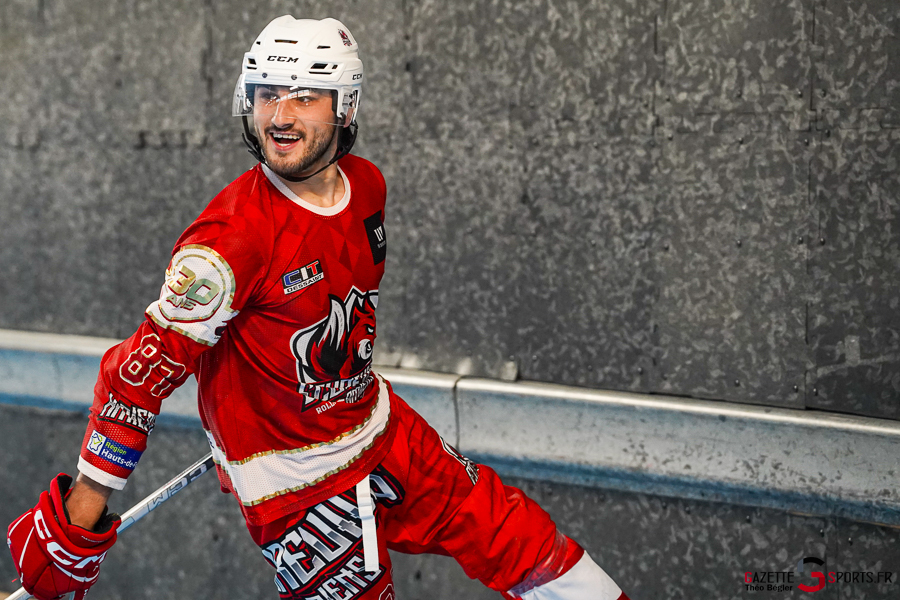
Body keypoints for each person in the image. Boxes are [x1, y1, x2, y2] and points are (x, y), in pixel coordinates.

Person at [7, 16, 629, 600]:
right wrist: (81, 513)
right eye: (267, 93)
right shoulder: (229, 240)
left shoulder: (368, 187)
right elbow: (138, 375)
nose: (280, 115)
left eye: (305, 96)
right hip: (298, 489)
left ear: (345, 106)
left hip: (379, 427)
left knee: (526, 542)